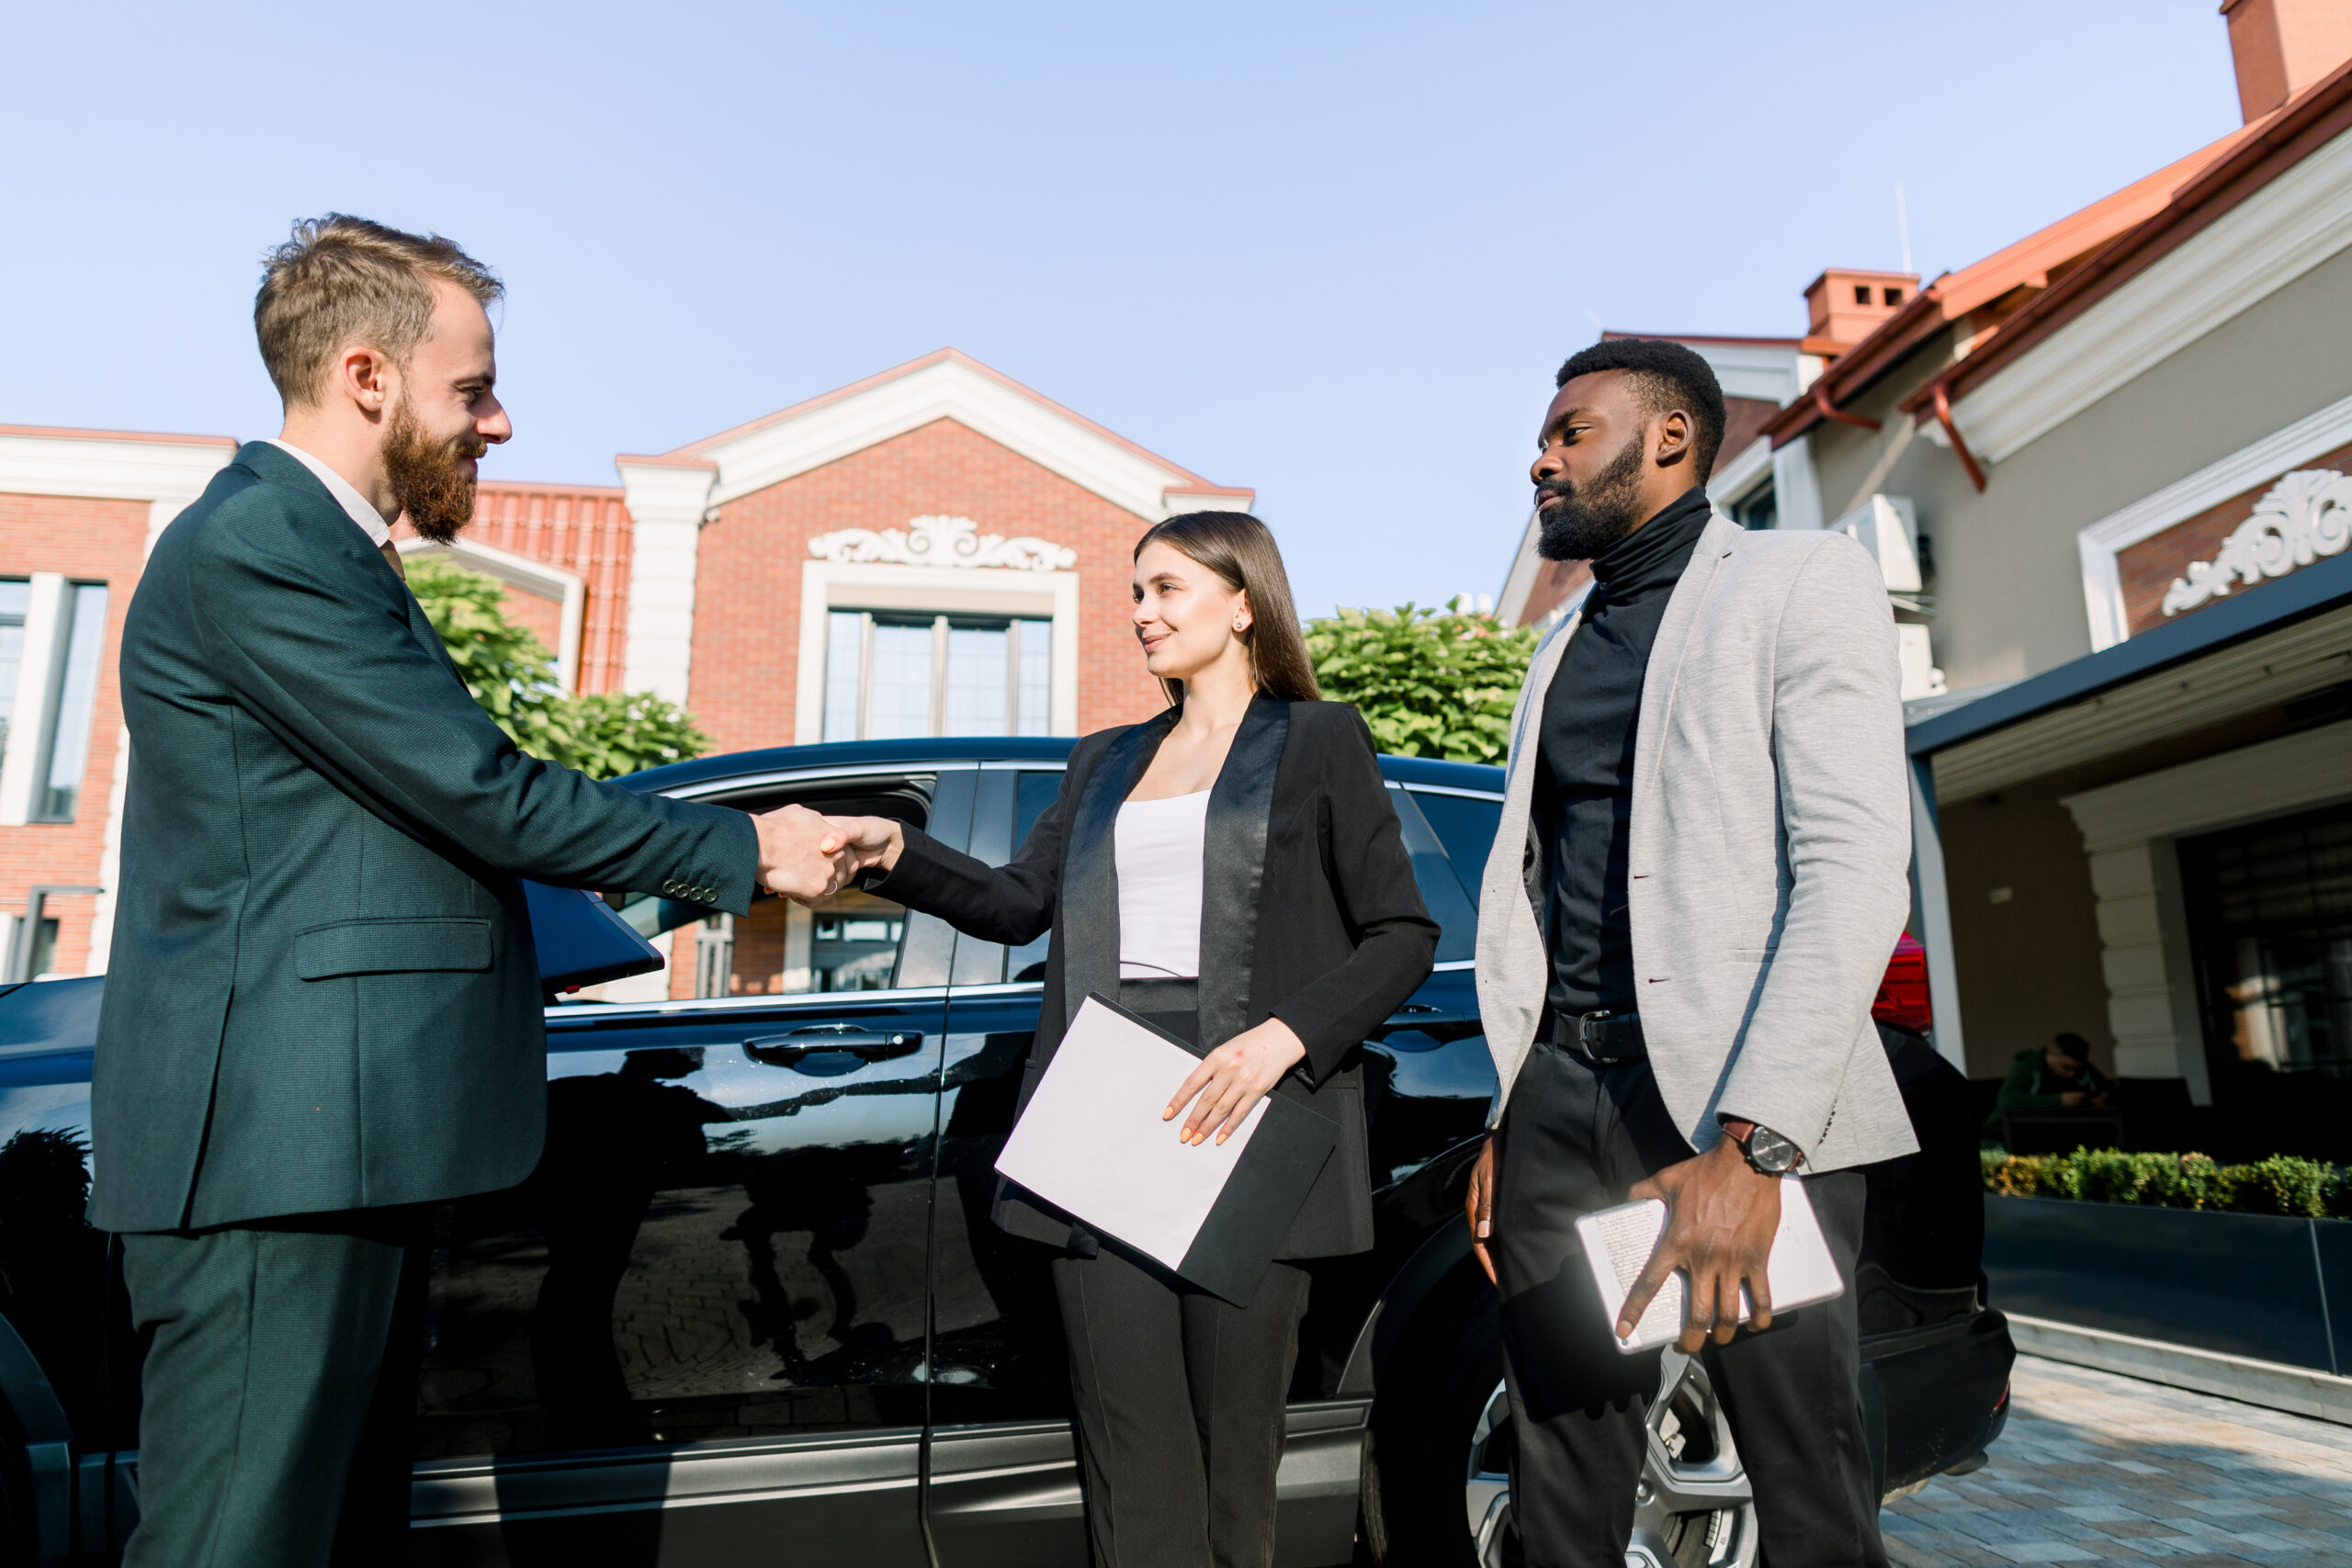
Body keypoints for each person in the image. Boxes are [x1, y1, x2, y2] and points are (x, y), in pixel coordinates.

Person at [87, 216, 842, 1568]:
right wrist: (743, 851)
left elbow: (405, 835)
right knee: (238, 1542)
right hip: (275, 1152)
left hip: (331, 1141)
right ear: (369, 376)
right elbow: (474, 786)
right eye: (473, 387)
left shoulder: (302, 544)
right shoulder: (263, 543)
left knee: (325, 1532)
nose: (498, 421)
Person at [819, 512, 1437, 1568]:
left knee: (1232, 1466)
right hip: (1104, 1114)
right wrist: (894, 849)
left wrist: (1281, 1039)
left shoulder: (1320, 739)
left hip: (1246, 1108)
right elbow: (1016, 903)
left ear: (1242, 602)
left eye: (1165, 590)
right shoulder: (1102, 761)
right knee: (1128, 1461)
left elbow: (1402, 935)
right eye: (1134, 594)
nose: (1141, 613)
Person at [1461, 339, 1917, 1568]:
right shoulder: (1557, 645)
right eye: (1546, 437)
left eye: (1570, 432)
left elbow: (1854, 862)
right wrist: (1515, 1116)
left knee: (1807, 1482)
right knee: (1561, 1468)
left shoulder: (1798, 579)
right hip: (1563, 1097)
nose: (1541, 458)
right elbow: (1539, 894)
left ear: (1666, 437)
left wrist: (1756, 1142)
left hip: (1742, 1112)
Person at [1985, 1032, 2115, 1137]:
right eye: (2066, 1067)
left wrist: (2101, 1100)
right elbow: (2006, 1099)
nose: (2072, 1074)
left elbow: (2111, 1090)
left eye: (2076, 1069)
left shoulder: (2085, 1070)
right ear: (2050, 1055)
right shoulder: (2029, 1066)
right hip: (2014, 1134)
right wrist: (2058, 1101)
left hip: (2068, 1133)